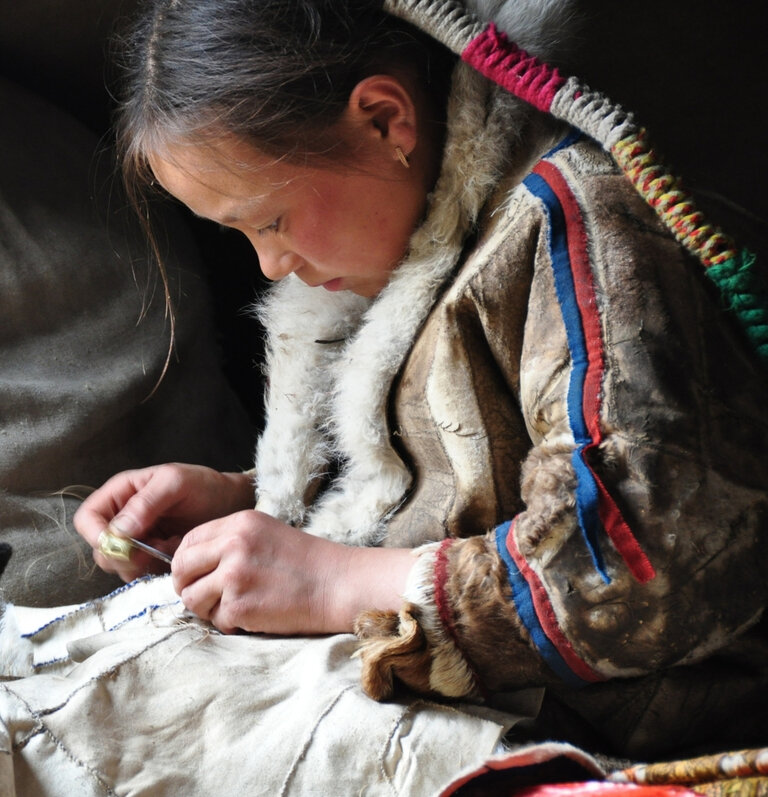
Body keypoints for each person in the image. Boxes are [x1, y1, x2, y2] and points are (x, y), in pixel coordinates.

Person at [75, 0, 768, 759]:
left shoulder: (572, 225)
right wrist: (245, 501)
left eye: (269, 221)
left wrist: (333, 582)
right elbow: (452, 476)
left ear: (383, 120)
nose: (271, 265)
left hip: (650, 729)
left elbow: (645, 556)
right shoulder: (397, 266)